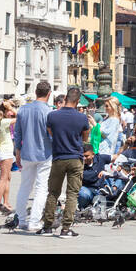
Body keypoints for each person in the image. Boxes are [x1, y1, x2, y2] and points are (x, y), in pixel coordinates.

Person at [40, 86, 90, 238]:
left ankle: (47, 227)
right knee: (72, 194)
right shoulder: (82, 117)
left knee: (53, 192)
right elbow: (85, 137)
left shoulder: (53, 116)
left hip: (58, 158)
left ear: (66, 98)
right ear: (78, 100)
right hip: (75, 158)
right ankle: (66, 228)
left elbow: (50, 132)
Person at [10, 80, 52, 231]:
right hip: (45, 153)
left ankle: (21, 220)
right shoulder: (49, 112)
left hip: (26, 152)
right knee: (41, 188)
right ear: (49, 94)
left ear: (35, 92)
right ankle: (34, 221)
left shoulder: (23, 109)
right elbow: (51, 135)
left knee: (25, 186)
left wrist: (18, 152)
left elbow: (17, 133)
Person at [0, 100, 16, 215]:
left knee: (8, 177)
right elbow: (21, 117)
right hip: (6, 152)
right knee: (3, 178)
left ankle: (5, 202)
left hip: (1, 151)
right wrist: (10, 107)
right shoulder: (4, 122)